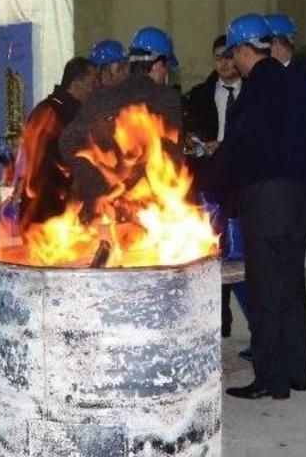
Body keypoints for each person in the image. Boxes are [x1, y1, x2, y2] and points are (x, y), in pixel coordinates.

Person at [221, 13, 306, 401]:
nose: (232, 63)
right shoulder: (301, 82)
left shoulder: (257, 89)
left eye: (233, 54)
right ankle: (296, 371)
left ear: (242, 49)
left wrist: (211, 175)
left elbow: (242, 151)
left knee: (265, 292)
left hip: (268, 204)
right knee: (291, 286)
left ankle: (271, 380)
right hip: (302, 205)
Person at [60, 26, 182, 223]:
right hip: (146, 216)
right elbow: (172, 163)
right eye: (166, 68)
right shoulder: (168, 100)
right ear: (159, 64)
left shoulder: (99, 97)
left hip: (100, 214)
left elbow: (67, 142)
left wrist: (96, 181)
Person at [182, 34, 252, 352]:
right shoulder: (198, 96)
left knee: (241, 260)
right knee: (211, 255)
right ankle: (218, 321)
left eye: (228, 56)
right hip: (209, 187)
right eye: (218, 58)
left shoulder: (255, 95)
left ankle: (258, 327)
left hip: (244, 185)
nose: (224, 63)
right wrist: (198, 144)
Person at [13, 57, 98, 233]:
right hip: (55, 216)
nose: (95, 87)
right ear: (76, 83)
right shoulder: (70, 117)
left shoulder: (42, 109)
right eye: (92, 82)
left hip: (32, 211)